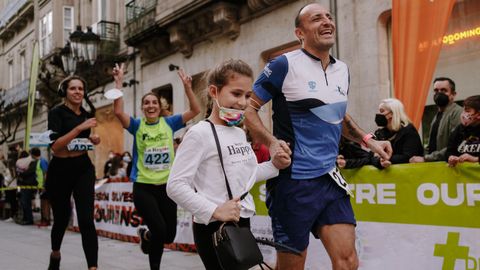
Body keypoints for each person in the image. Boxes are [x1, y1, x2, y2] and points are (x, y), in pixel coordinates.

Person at [244, 3, 392, 269]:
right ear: (300, 33)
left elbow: (338, 116)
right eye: (316, 19)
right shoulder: (283, 65)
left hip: (330, 180)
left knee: (348, 262)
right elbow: (250, 110)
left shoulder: (342, 70)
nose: (326, 22)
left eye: (329, 17)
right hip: (293, 183)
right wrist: (271, 142)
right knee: (292, 266)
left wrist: (369, 140)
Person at [166, 59, 283, 269]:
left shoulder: (239, 133)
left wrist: (276, 165)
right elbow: (175, 185)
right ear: (214, 91)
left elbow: (246, 175)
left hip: (241, 222)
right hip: (213, 227)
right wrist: (214, 210)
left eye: (248, 96)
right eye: (236, 94)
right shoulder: (198, 133)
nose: (243, 102)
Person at [112, 63, 200, 270]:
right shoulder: (136, 125)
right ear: (142, 108)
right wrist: (119, 82)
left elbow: (196, 110)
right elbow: (117, 111)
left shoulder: (169, 123)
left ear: (159, 108)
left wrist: (188, 87)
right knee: (160, 230)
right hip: (143, 187)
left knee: (169, 235)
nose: (151, 106)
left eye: (154, 103)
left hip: (167, 187)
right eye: (146, 103)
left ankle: (146, 235)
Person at [45, 75, 100, 270]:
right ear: (65, 92)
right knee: (61, 218)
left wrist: (93, 140)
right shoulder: (56, 113)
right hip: (60, 169)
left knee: (86, 220)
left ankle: (93, 267)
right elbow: (56, 147)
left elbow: (86, 138)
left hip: (83, 168)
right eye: (73, 89)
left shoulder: (87, 113)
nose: (77, 92)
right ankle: (55, 254)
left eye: (80, 89)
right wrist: (79, 128)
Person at [410, 77, 463, 163]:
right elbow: (431, 144)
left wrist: (426, 158)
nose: (439, 93)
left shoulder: (457, 113)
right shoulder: (437, 116)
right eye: (436, 90)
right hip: (436, 166)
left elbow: (455, 145)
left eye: (443, 90)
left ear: (453, 94)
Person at [371, 98, 424, 168]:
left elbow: (408, 157)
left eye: (382, 111)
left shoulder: (409, 131)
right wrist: (378, 161)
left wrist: (384, 158)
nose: (379, 114)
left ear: (392, 113)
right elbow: (372, 156)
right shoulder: (379, 133)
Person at [446, 95, 480, 166]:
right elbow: (449, 150)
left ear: (478, 114)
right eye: (463, 110)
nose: (463, 114)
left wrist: (475, 159)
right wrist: (451, 157)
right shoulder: (458, 130)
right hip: (463, 176)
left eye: (467, 111)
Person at [30, 147, 50, 226]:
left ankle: (46, 220)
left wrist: (45, 185)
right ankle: (43, 219)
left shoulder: (42, 161)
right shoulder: (38, 161)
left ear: (33, 154)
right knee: (43, 203)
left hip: (44, 186)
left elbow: (45, 173)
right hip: (40, 186)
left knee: (45, 203)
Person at [16, 150, 36, 225]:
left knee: (26, 202)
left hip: (28, 184)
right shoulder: (31, 162)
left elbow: (28, 172)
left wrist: (22, 174)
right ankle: (26, 218)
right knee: (24, 202)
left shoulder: (32, 162)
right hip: (25, 184)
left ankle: (29, 219)